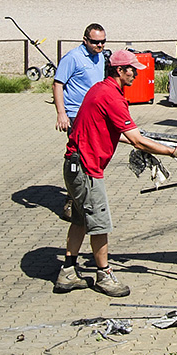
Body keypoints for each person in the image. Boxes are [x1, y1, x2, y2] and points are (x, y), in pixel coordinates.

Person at [56, 50, 177, 296]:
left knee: (80, 219)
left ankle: (68, 272)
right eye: (132, 70)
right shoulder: (112, 97)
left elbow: (116, 133)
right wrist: (175, 151)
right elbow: (137, 141)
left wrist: (143, 141)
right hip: (86, 168)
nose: (135, 74)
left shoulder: (100, 89)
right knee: (100, 224)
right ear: (119, 71)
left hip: (75, 164)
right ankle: (104, 275)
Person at [52, 24, 107, 217]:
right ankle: (72, 200)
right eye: (95, 42)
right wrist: (61, 113)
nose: (99, 46)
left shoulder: (100, 56)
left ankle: (86, 194)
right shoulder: (72, 58)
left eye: (102, 42)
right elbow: (58, 84)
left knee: (92, 155)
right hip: (76, 114)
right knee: (80, 156)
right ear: (85, 40)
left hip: (94, 113)